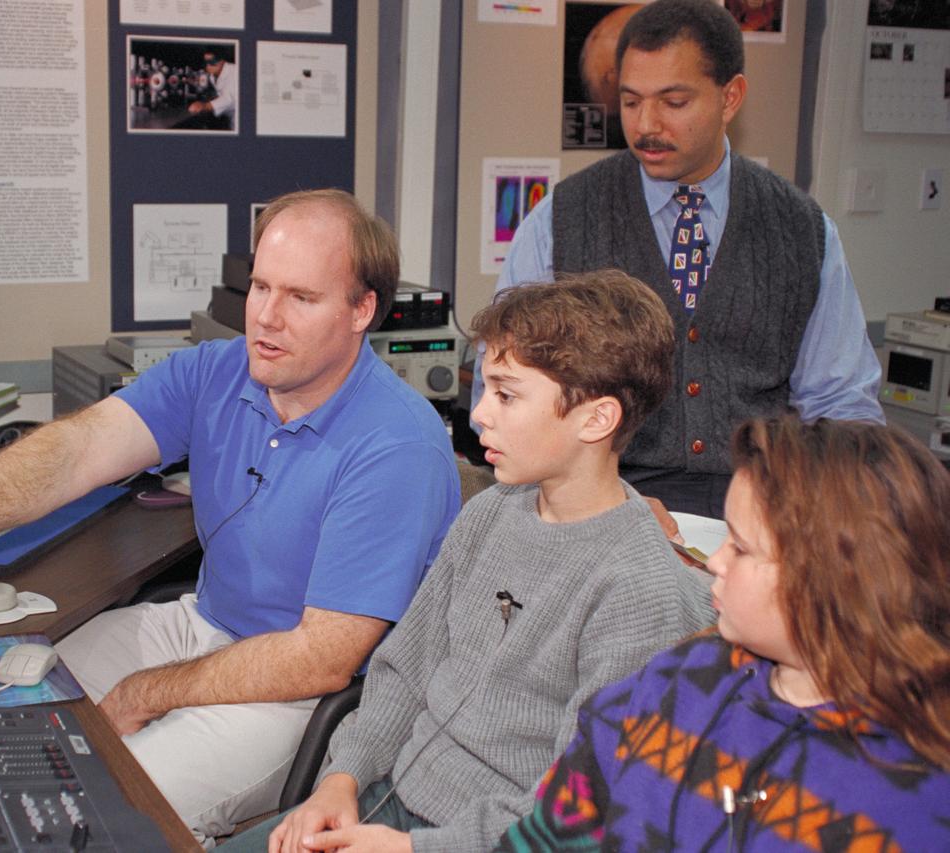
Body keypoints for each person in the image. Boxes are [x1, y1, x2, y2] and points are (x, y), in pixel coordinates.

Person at [0, 189, 461, 843]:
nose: (266, 317)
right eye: (260, 287)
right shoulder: (221, 371)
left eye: (301, 298)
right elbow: (75, 450)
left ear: (361, 309)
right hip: (202, 625)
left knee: (102, 802)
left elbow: (320, 661)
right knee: (6, 703)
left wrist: (151, 691)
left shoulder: (396, 446)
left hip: (298, 695)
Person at [226, 270, 714, 853]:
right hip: (387, 798)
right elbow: (407, 665)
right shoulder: (492, 512)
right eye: (484, 388)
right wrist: (341, 777)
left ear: (596, 418)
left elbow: (580, 812)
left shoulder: (638, 593)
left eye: (507, 394)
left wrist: (411, 850)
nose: (480, 413)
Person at [477, 0, 883, 519]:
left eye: (673, 101)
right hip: (603, 503)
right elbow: (502, 391)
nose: (647, 125)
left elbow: (843, 406)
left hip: (763, 507)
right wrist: (607, 503)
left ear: (730, 96)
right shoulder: (562, 218)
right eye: (630, 102)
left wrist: (797, 515)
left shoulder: (802, 229)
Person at [496, 416, 950, 851]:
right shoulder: (675, 681)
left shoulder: (915, 798)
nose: (715, 561)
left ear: (835, 581)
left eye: (741, 547)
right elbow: (548, 837)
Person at [187, 49, 237, 127]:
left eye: (212, 62)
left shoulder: (234, 71)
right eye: (206, 63)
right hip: (232, 120)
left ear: (222, 61)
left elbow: (229, 99)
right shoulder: (212, 76)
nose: (207, 66)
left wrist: (205, 106)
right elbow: (221, 93)